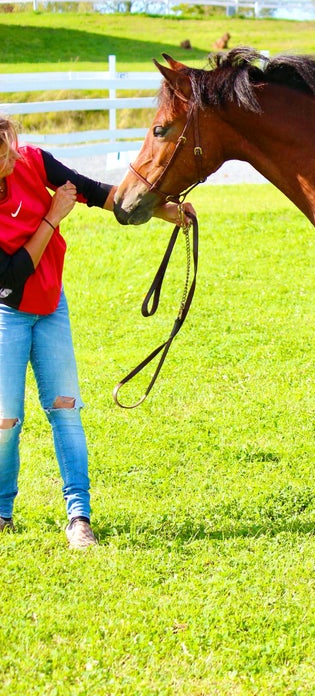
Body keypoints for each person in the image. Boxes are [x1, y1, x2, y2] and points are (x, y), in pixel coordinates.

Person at [0, 115, 191, 548]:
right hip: (6, 311)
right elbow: (10, 275)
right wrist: (52, 216)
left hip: (50, 305)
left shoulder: (30, 160)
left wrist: (161, 211)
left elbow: (90, 190)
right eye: (2, 156)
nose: (12, 157)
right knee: (5, 421)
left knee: (65, 407)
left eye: (9, 146)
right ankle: (2, 511)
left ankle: (79, 516)